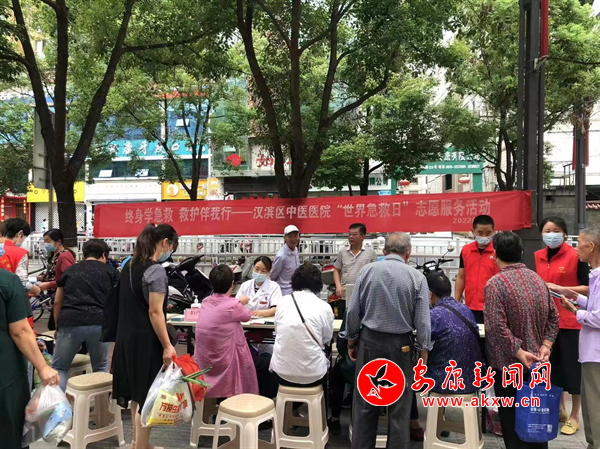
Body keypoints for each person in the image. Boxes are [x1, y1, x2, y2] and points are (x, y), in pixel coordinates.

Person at [346, 232, 432, 449]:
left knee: (365, 407)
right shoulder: (417, 278)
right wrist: (423, 352)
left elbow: (353, 311)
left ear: (384, 252)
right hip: (401, 348)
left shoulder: (367, 271)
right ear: (408, 253)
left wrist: (352, 340)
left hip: (369, 344)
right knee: (399, 410)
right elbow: (423, 322)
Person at [484, 231, 559, 449]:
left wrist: (518, 352)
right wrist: (546, 345)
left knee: (512, 422)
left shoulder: (495, 284)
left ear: (496, 254)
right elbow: (554, 317)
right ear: (521, 252)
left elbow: (496, 326)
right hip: (538, 364)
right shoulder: (538, 280)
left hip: (508, 365)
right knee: (537, 420)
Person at [112, 224, 179, 449]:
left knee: (137, 394)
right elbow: (154, 312)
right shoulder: (155, 270)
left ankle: (138, 443)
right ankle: (140, 446)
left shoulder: (128, 265)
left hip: (125, 338)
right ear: (165, 243)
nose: (170, 251)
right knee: (148, 398)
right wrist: (167, 345)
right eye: (172, 246)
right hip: (145, 342)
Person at [535, 217, 589, 435]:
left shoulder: (576, 256)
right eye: (547, 231)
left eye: (556, 230)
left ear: (565, 233)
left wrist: (561, 288)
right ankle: (559, 409)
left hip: (571, 321)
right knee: (551, 367)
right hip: (547, 321)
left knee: (573, 369)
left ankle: (575, 415)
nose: (552, 235)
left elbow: (589, 287)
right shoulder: (538, 256)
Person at [0, 269, 59, 449]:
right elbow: (19, 331)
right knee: (8, 431)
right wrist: (43, 367)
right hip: (5, 376)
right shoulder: (7, 281)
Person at [52, 239, 119, 391]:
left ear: (84, 254)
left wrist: (57, 326)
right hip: (100, 323)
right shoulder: (111, 272)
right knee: (101, 367)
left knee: (60, 367)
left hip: (70, 322)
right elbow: (116, 300)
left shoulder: (70, 271)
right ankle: (101, 404)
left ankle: (58, 405)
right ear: (103, 255)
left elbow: (57, 302)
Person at [558, 227, 600, 449]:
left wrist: (575, 311)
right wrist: (577, 299)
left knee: (595, 405)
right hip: (591, 351)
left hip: (596, 353)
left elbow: (598, 317)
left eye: (579, 243)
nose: (576, 249)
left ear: (591, 246)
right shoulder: (595, 276)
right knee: (591, 404)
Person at [194, 265, 259, 398]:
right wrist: (239, 301)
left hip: (205, 362)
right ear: (232, 284)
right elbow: (247, 316)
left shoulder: (206, 301)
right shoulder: (234, 305)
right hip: (225, 363)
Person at [270, 264, 334, 387]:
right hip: (314, 375)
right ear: (318, 283)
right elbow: (326, 338)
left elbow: (277, 331)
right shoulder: (325, 307)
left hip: (281, 373)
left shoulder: (282, 302)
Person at [426, 271, 482, 394]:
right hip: (472, 381)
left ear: (430, 295)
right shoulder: (466, 310)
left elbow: (424, 348)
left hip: (444, 382)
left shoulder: (433, 315)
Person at [455, 215, 499, 324]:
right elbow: (461, 276)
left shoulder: (498, 251)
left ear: (494, 231)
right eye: (480, 233)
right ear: (473, 231)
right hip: (470, 306)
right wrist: (456, 301)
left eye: (488, 233)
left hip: (492, 307)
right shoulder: (466, 250)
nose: (484, 236)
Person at [333, 223, 377, 299]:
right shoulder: (343, 252)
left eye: (354, 234)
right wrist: (338, 286)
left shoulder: (370, 252)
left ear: (363, 236)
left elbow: (375, 273)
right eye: (349, 234)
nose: (351, 237)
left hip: (364, 293)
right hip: (345, 293)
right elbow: (336, 270)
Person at [0, 218, 41, 297]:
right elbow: (22, 283)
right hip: (9, 298)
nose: (23, 241)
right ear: (20, 234)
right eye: (24, 237)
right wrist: (35, 289)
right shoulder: (19, 253)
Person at [37, 228, 76, 292]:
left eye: (48, 241)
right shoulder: (54, 254)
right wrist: (39, 278)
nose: (46, 244)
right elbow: (52, 273)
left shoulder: (64, 256)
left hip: (60, 293)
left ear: (58, 242)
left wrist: (48, 284)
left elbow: (67, 278)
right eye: (45, 241)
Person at [270, 225, 301, 296]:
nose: (293, 239)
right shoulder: (281, 256)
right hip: (285, 291)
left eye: (295, 236)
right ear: (284, 238)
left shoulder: (295, 249)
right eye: (290, 236)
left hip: (295, 289)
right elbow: (273, 275)